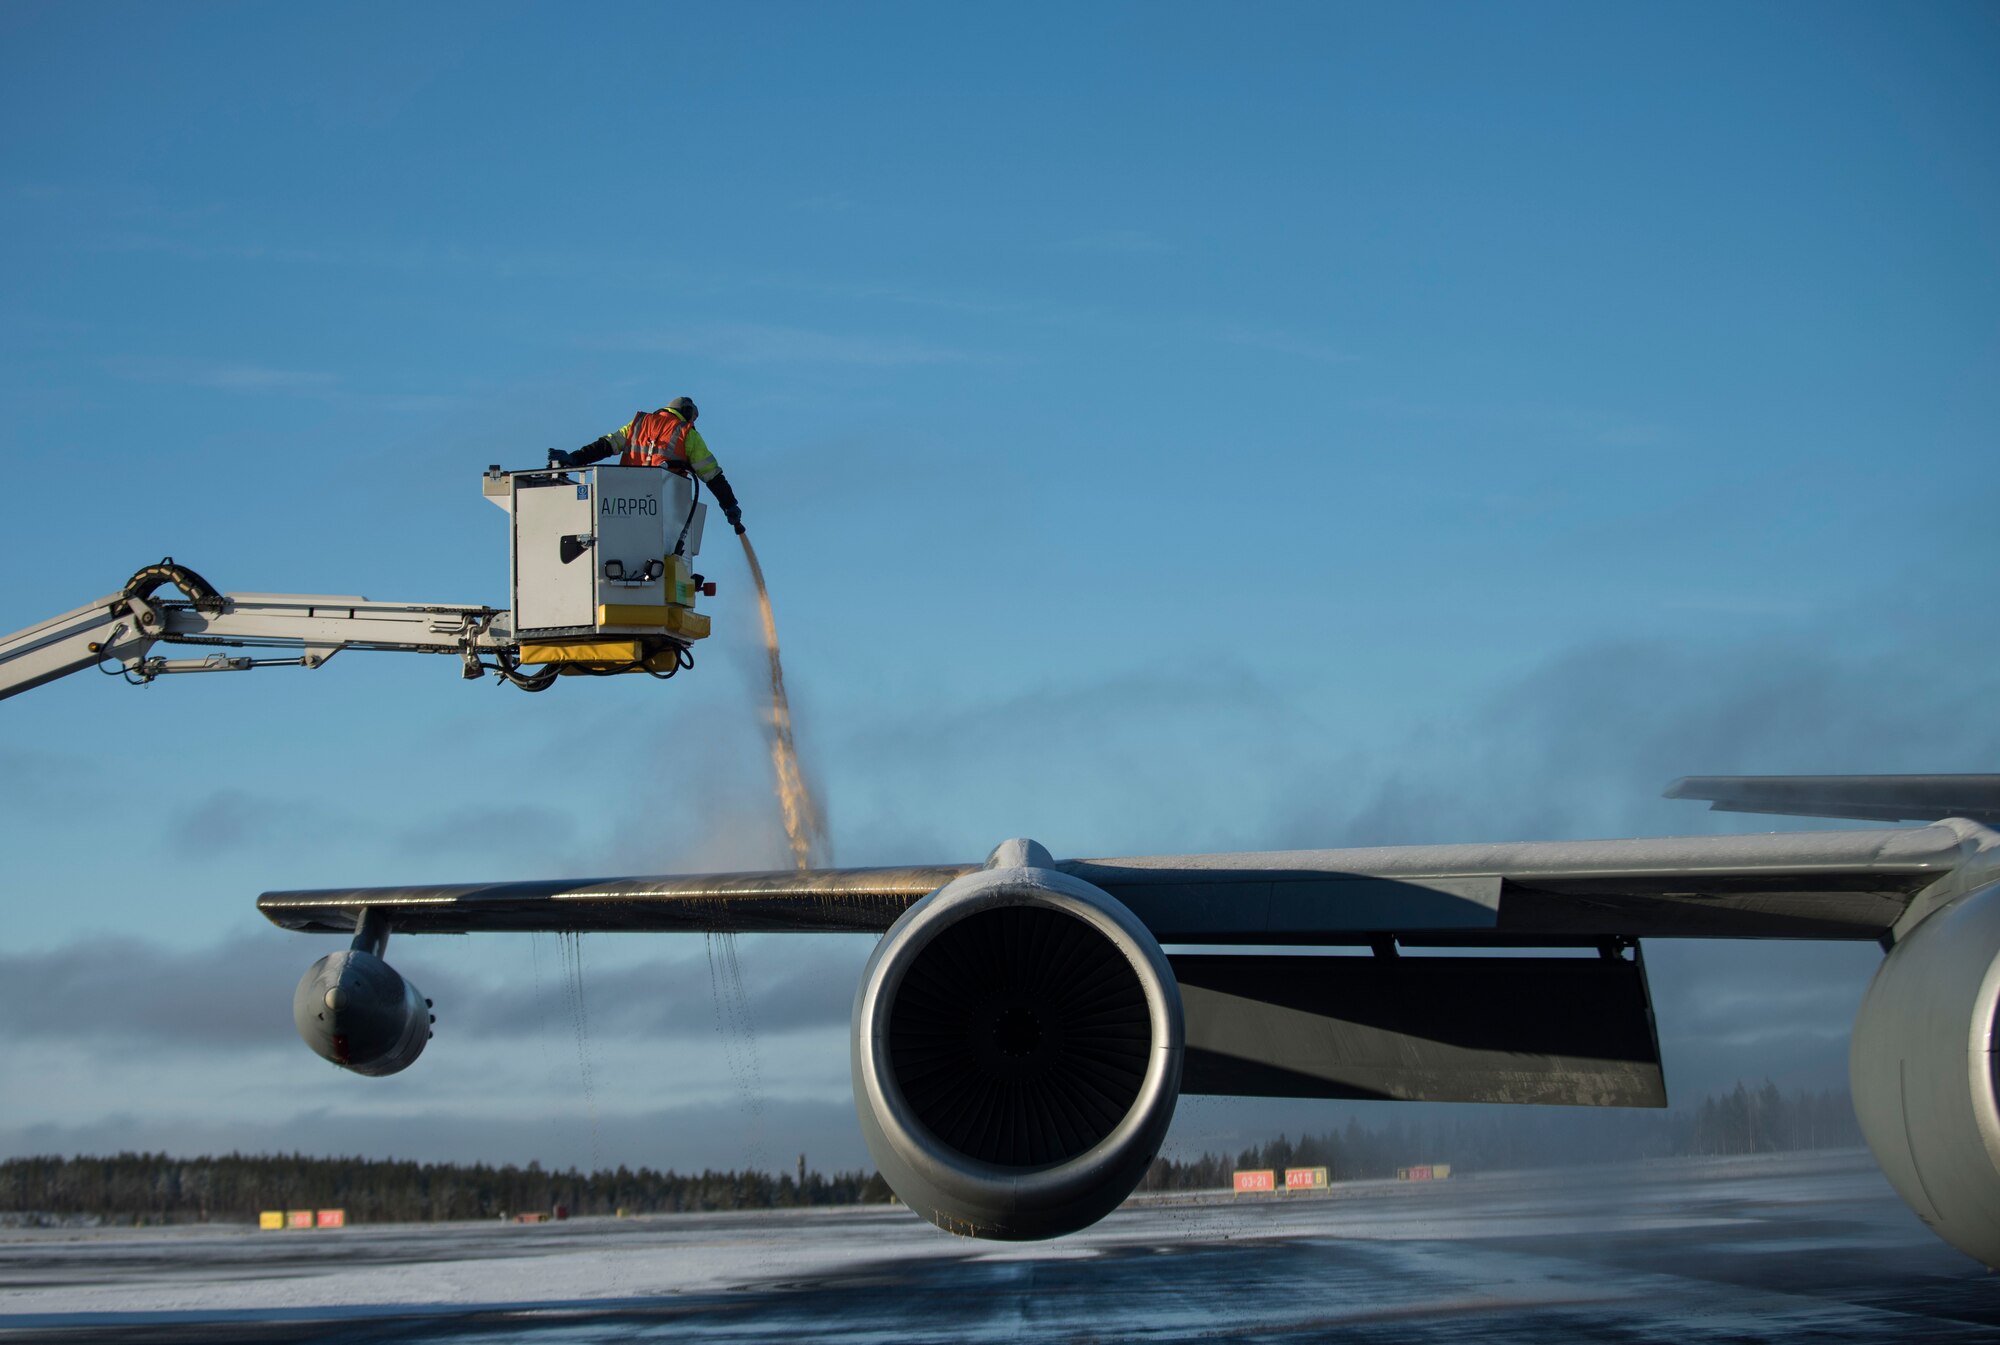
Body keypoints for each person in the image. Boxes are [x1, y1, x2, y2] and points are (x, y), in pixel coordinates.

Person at [551, 396, 744, 533]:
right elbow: (712, 475)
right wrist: (730, 505)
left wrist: (575, 458)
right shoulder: (688, 433)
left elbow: (606, 445)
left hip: (622, 505)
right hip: (664, 510)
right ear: (686, 412)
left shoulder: (638, 424)